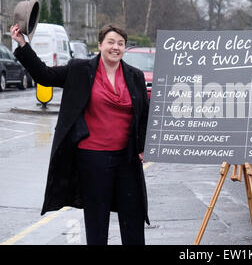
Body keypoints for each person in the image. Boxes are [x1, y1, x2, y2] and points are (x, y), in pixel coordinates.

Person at [10, 23, 149, 245]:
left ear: (125, 48)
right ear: (100, 44)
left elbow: (144, 116)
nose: (115, 47)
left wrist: (142, 146)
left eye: (120, 44)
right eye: (111, 42)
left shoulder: (135, 76)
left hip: (128, 158)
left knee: (133, 217)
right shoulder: (79, 70)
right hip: (93, 158)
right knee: (97, 219)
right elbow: (45, 75)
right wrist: (23, 44)